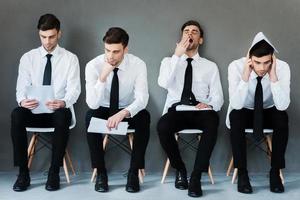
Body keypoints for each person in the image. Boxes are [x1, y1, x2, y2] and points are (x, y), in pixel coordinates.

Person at [11, 13, 81, 191]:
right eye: (43, 37)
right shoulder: (28, 58)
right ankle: (23, 173)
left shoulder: (70, 59)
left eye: (51, 36)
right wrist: (22, 101)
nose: (48, 41)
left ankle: (53, 173)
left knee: (63, 115)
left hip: (57, 113)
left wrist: (63, 102)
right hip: (34, 112)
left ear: (59, 34)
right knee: (16, 114)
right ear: (39, 34)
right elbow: (21, 89)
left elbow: (75, 90)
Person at [157, 20, 224, 197]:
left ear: (200, 40)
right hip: (177, 110)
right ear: (180, 38)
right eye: (186, 31)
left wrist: (209, 105)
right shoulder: (168, 62)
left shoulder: (210, 66)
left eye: (194, 31)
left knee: (213, 121)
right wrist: (177, 56)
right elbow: (163, 83)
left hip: (201, 111)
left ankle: (196, 177)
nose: (189, 34)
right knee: (163, 126)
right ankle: (180, 170)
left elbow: (219, 97)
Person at [85, 27, 150, 193]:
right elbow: (92, 104)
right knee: (89, 116)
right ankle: (101, 173)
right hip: (103, 108)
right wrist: (102, 77)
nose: (110, 56)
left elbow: (142, 99)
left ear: (125, 49)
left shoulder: (138, 64)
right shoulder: (93, 65)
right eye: (107, 50)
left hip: (126, 110)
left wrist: (123, 113)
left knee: (144, 116)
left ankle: (133, 173)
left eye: (116, 51)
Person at [226, 32, 290, 194]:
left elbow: (282, 105)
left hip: (269, 111)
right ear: (249, 59)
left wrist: (273, 75)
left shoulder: (282, 67)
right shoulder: (235, 66)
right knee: (236, 116)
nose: (262, 68)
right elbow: (236, 104)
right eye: (257, 62)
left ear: (272, 59)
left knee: (282, 117)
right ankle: (242, 173)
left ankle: (275, 172)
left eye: (267, 62)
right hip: (245, 111)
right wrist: (246, 75)